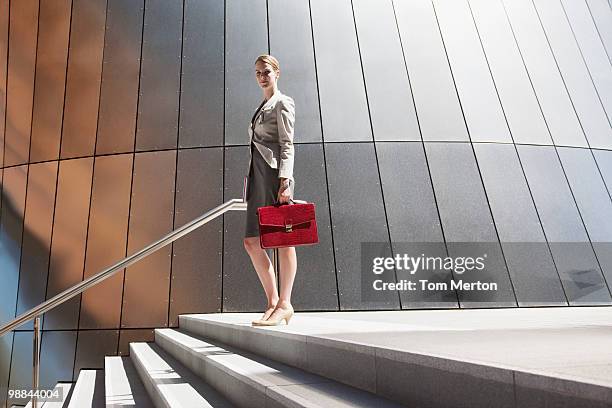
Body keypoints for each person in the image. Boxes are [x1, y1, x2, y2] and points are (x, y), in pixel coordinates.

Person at [243, 54, 297, 326]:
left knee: (283, 240)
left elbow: (287, 144)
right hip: (257, 177)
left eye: (266, 71)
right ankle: (272, 302)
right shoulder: (262, 105)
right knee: (252, 241)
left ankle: (285, 304)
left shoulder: (282, 103)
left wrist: (285, 180)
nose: (261, 76)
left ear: (277, 73)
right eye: (257, 73)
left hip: (275, 176)